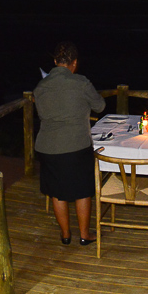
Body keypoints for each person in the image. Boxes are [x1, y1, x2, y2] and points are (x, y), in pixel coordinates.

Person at [33, 41, 105, 245]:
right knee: (82, 191)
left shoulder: (40, 87)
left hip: (47, 147)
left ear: (55, 62)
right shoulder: (80, 82)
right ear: (74, 63)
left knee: (58, 192)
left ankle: (65, 235)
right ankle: (84, 235)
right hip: (75, 146)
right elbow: (100, 106)